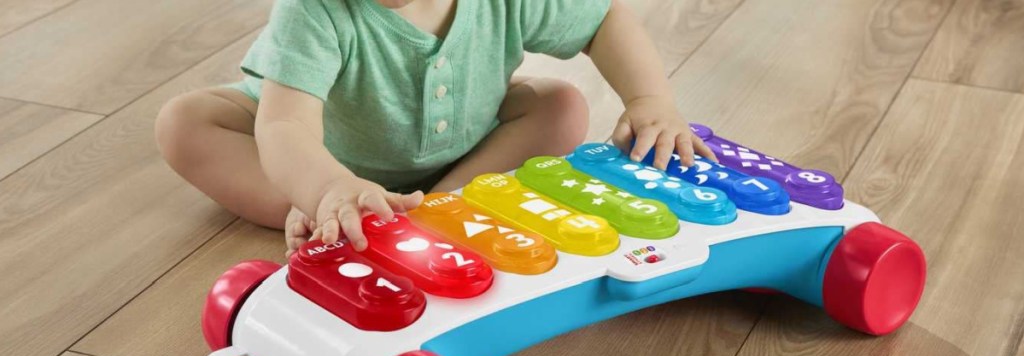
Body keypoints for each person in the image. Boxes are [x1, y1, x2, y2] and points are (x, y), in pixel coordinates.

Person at [156, 0, 715, 255]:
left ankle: (443, 202)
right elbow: (283, 126)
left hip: (462, 147)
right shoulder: (315, 10)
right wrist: (321, 186)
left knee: (562, 105)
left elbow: (604, 20)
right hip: (320, 152)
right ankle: (325, 214)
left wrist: (649, 100)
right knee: (185, 122)